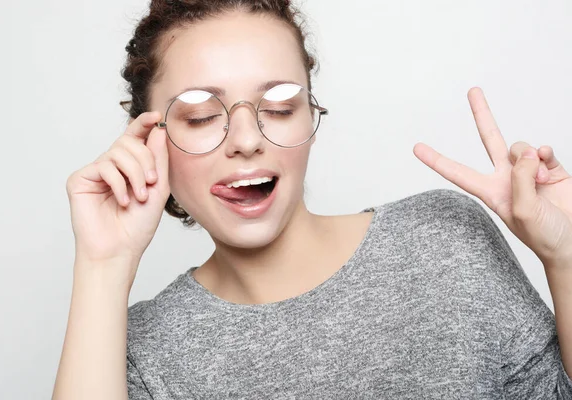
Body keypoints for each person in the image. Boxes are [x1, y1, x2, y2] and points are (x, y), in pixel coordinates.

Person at [52, 0, 572, 398]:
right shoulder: (139, 350)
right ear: (149, 141)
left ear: (311, 119)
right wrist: (103, 265)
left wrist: (567, 257)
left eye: (278, 106)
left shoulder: (445, 239)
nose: (247, 138)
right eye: (201, 115)